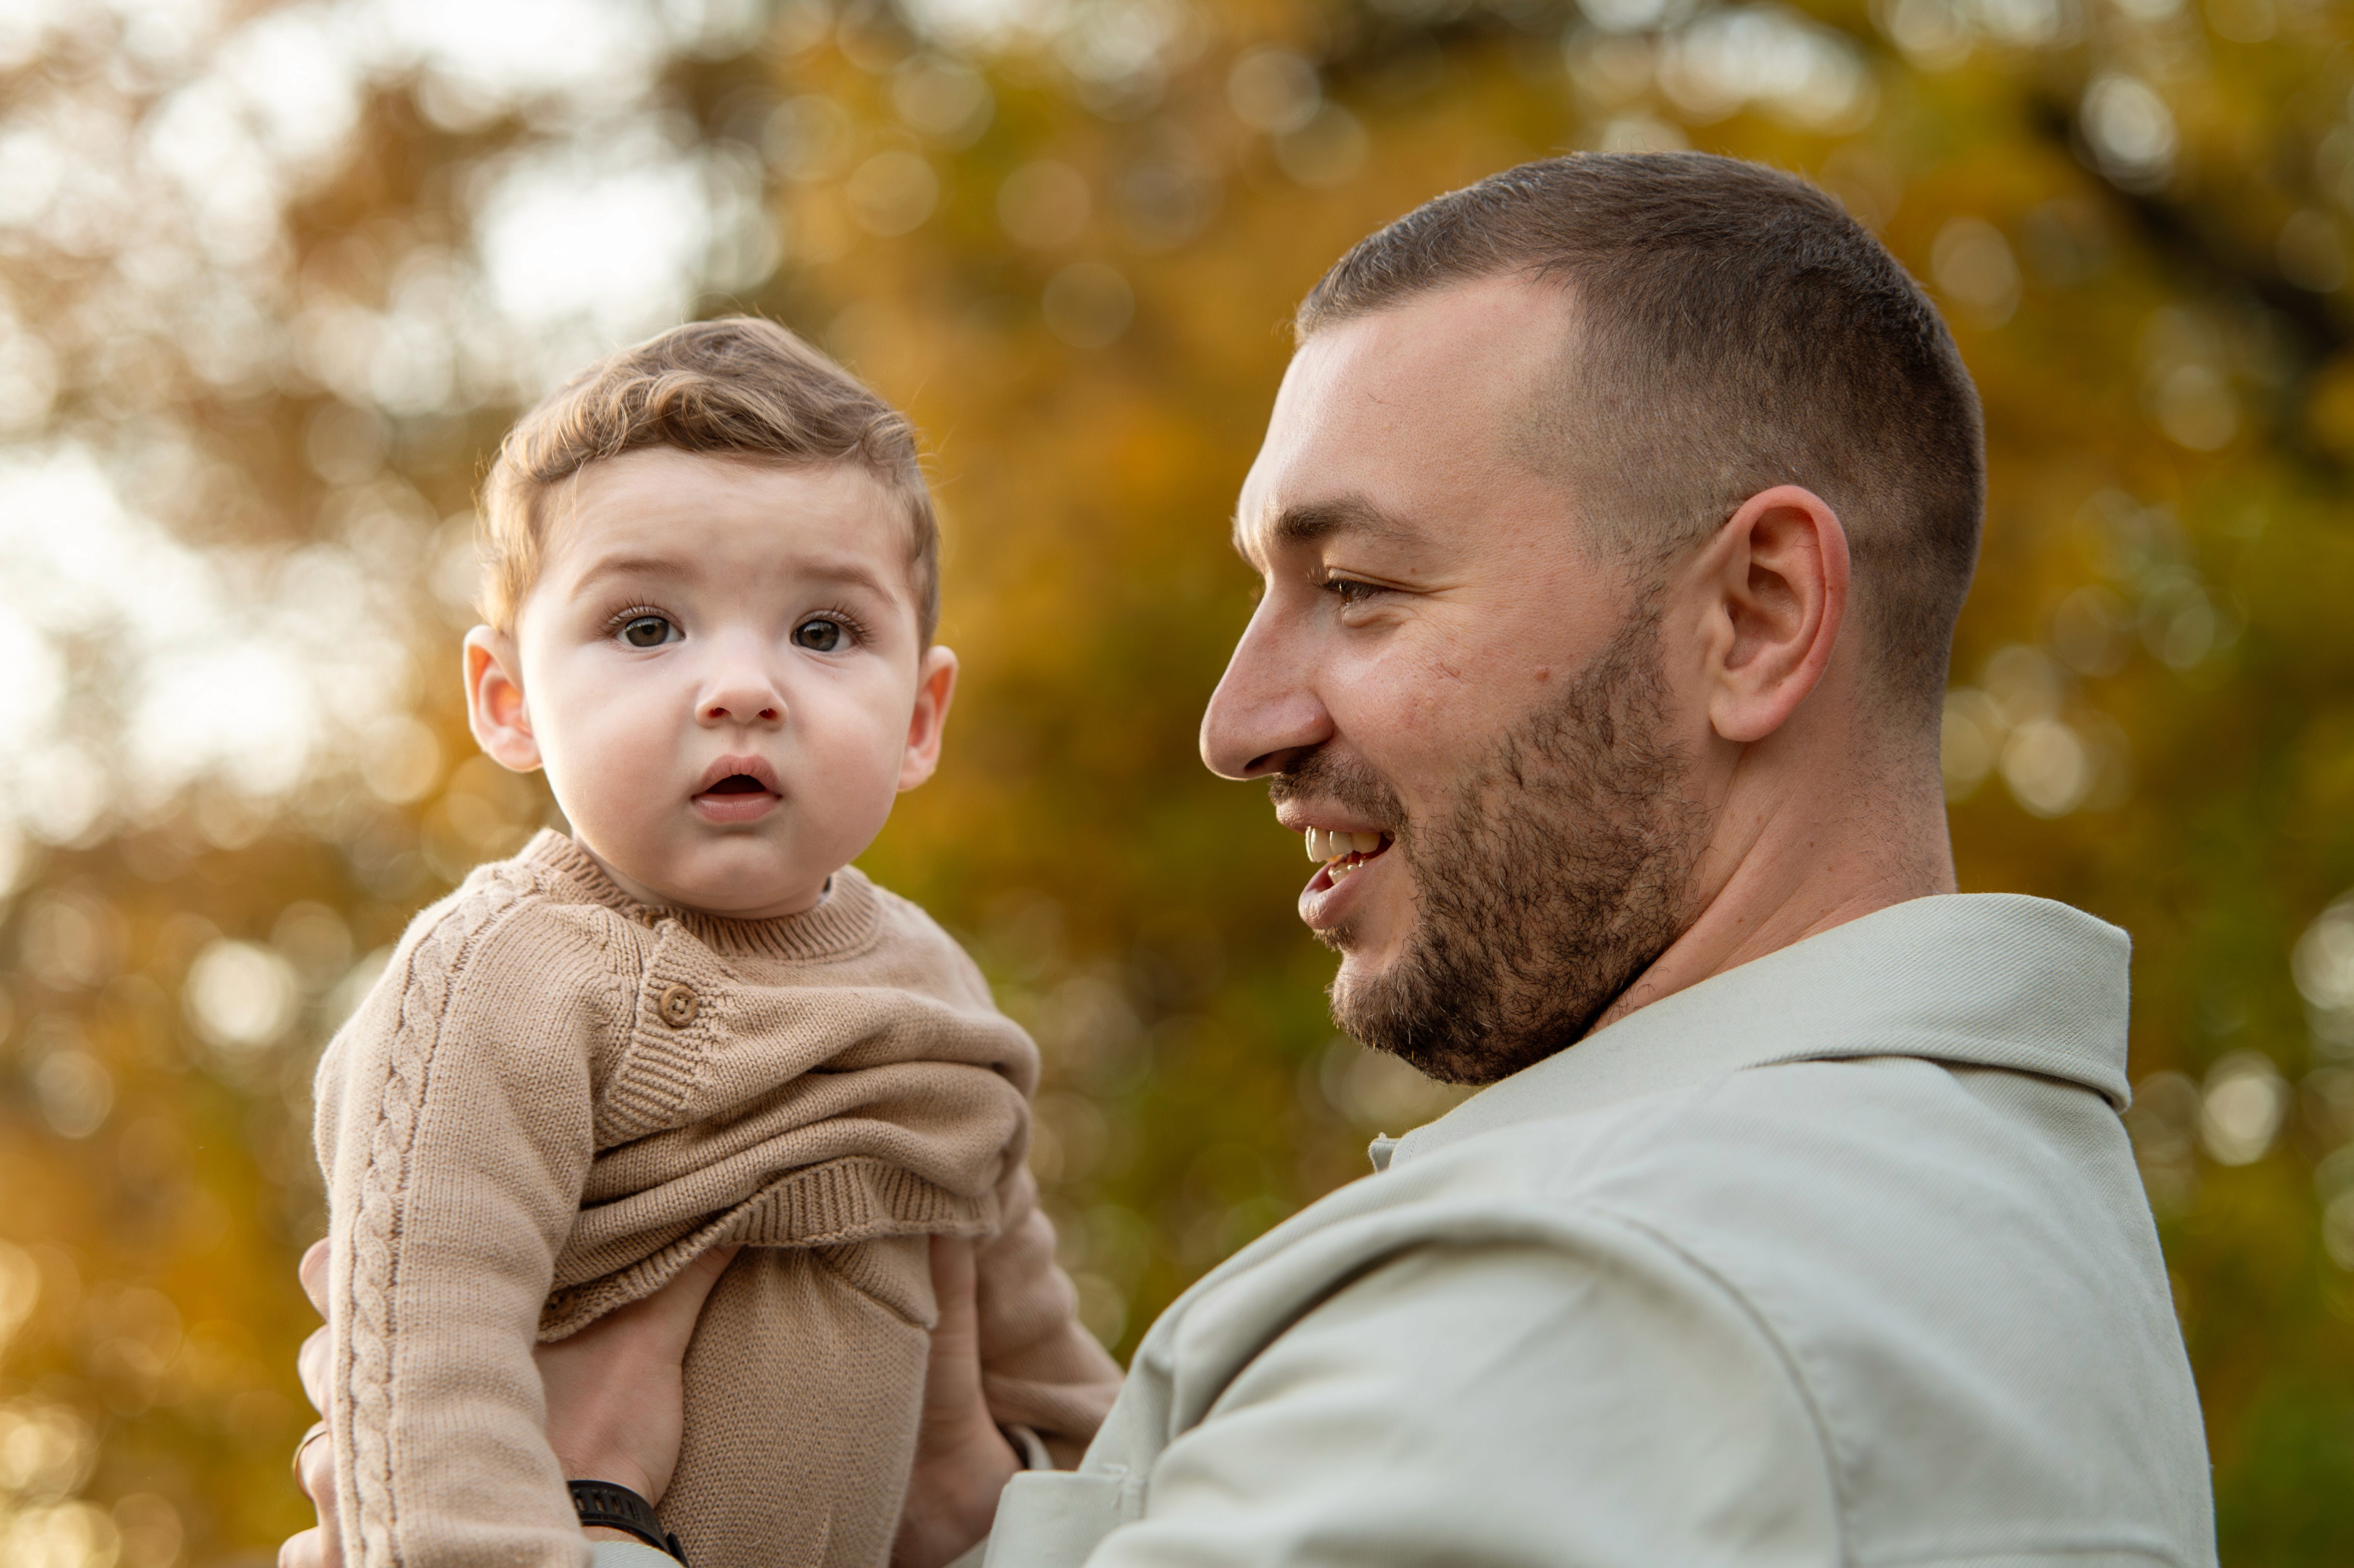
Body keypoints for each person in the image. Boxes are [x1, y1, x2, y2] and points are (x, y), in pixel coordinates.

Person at [288, 152, 2216, 1568]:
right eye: (644, 628)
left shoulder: (1622, 1300)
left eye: (1356, 587)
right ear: (504, 692)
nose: (1234, 720)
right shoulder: (1966, 1206)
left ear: (1753, 613)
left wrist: (609, 1498)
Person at [303, 320, 1119, 1568]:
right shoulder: (498, 975)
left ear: (919, 713)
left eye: (823, 631)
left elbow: (1054, 1377)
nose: (742, 685)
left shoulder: (936, 991)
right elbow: (424, 1381)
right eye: (645, 628)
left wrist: (1130, 1508)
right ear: (507, 700)